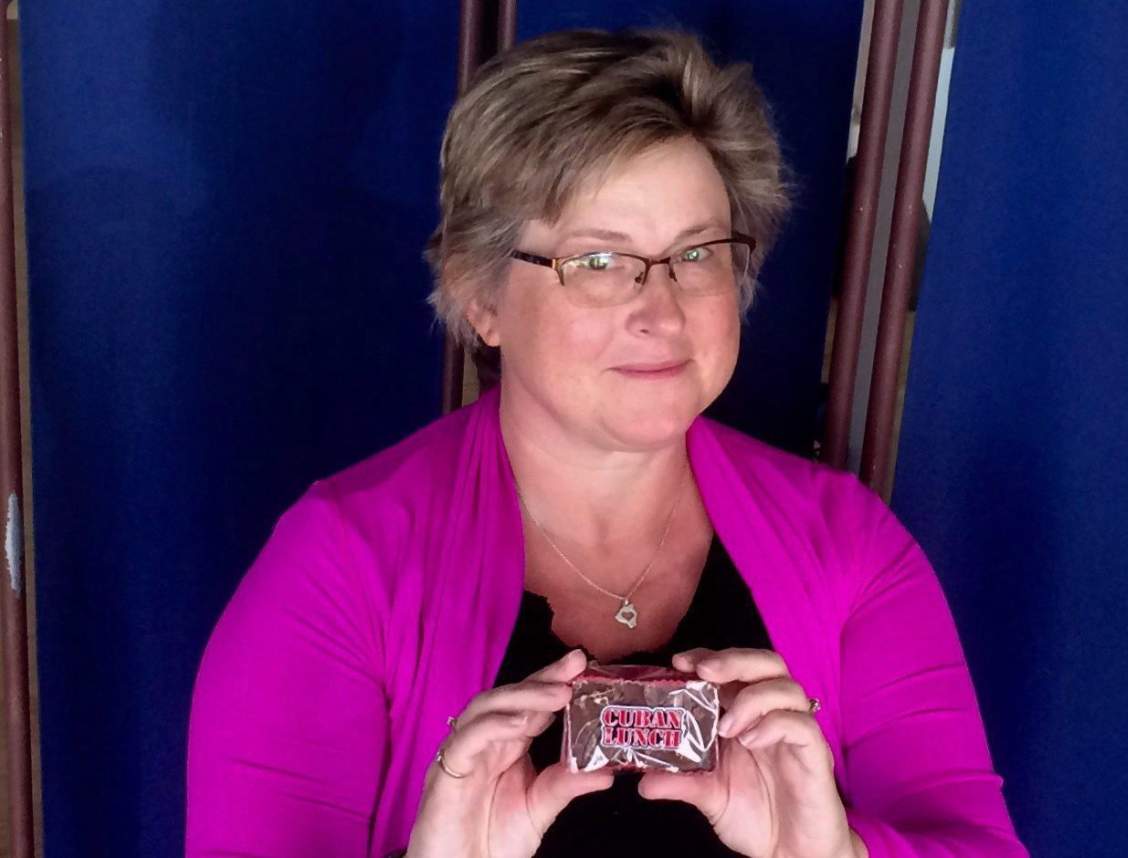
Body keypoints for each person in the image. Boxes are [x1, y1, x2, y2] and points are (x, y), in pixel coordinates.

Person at [186, 28, 1027, 858]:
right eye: (596, 260)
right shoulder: (340, 566)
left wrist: (834, 856)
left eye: (694, 252)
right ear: (480, 297)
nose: (660, 310)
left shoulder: (848, 544)